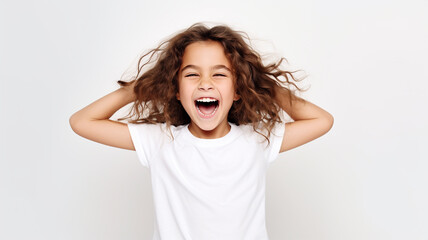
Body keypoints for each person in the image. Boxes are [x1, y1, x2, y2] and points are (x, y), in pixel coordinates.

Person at [69, 23, 334, 240]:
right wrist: (139, 87)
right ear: (175, 89)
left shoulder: (257, 140)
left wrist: (261, 83)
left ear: (238, 88)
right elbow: (82, 121)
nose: (205, 84)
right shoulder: (160, 141)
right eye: (192, 75)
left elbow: (322, 120)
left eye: (219, 75)